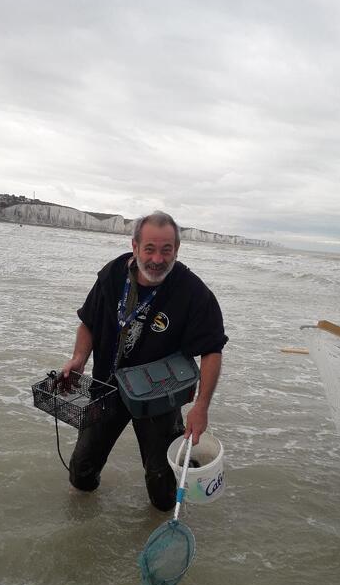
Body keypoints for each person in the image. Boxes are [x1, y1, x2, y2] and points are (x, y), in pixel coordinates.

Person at [61, 211, 228, 511]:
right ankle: (80, 521)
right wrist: (78, 359)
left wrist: (201, 406)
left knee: (163, 495)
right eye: (149, 248)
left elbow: (212, 350)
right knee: (81, 473)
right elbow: (88, 322)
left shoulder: (193, 292)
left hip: (158, 399)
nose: (157, 259)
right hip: (107, 388)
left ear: (177, 249)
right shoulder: (112, 275)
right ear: (135, 246)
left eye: (167, 250)